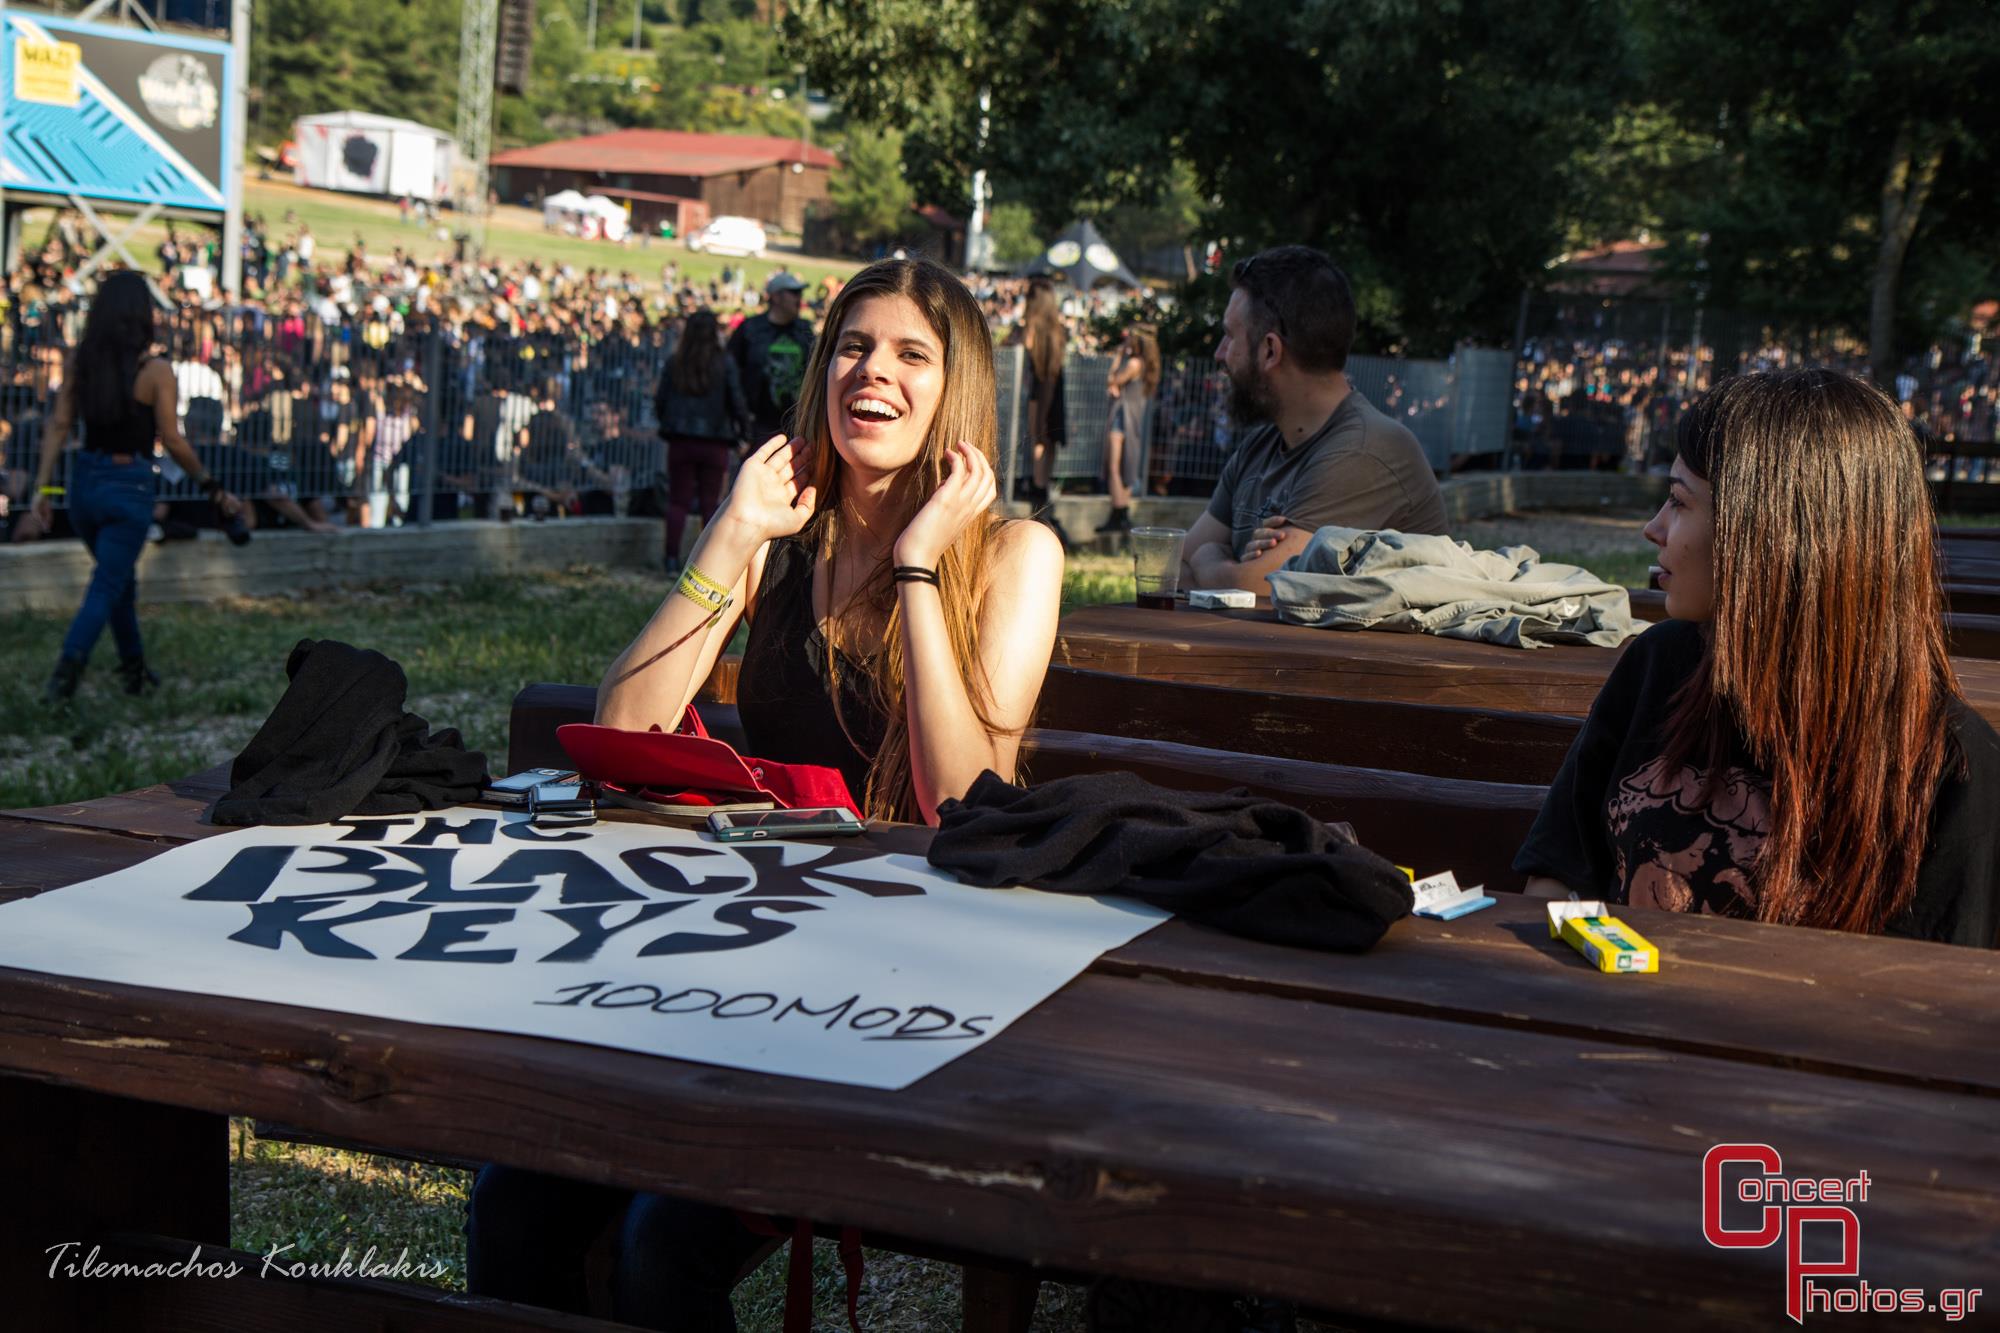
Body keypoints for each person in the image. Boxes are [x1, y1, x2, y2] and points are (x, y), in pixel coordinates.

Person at [466, 258, 1066, 1329]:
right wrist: (733, 534)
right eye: (852, 346)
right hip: (750, 944)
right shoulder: (786, 532)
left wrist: (919, 566)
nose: (870, 371)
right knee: (509, 1206)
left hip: (907, 981)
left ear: (956, 390)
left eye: (910, 354)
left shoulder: (1016, 555)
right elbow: (624, 730)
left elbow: (963, 800)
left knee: (660, 1248)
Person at [1516, 369, 2000, 947]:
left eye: (1678, 501)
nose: (1653, 528)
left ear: (1771, 534)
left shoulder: (1953, 768)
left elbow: (1931, 988)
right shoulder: (1660, 664)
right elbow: (1555, 873)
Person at [1180, 246, 1447, 596]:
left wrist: (1209, 559)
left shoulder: (1363, 451)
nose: (1219, 353)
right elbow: (1170, 567)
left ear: (1270, 350)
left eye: (1230, 336)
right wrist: (1227, 569)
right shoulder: (1260, 447)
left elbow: (1261, 587)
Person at [32, 269, 242, 704]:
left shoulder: (80, 362)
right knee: (107, 584)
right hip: (129, 487)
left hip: (85, 484)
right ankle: (64, 675)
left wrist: (42, 489)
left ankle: (134, 670)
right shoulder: (156, 371)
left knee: (119, 581)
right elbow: (174, 440)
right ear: (142, 314)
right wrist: (209, 483)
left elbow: (59, 425)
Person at [653, 308, 747, 573]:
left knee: (677, 501)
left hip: (681, 441)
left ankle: (671, 559)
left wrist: (668, 423)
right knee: (710, 504)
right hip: (715, 443)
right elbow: (736, 400)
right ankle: (706, 565)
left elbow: (661, 400)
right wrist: (744, 432)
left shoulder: (676, 362)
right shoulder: (724, 362)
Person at [1004, 277, 1066, 531]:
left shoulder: (1031, 328)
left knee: (1038, 442)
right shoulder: (1057, 331)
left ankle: (1039, 503)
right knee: (1048, 444)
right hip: (1055, 391)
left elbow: (1020, 349)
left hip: (1039, 393)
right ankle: (1043, 500)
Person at [726, 271, 814, 445]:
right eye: (794, 293)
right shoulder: (750, 329)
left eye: (800, 294)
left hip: (796, 424)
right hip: (757, 423)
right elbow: (730, 370)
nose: (799, 299)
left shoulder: (804, 330)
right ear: (776, 297)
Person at [1096, 323, 1160, 534]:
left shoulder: (1133, 363)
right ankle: (1120, 512)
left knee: (1115, 467)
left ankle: (1119, 511)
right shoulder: (1148, 365)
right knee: (1127, 465)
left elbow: (1112, 380)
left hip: (1122, 417)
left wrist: (1117, 358)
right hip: (1134, 418)